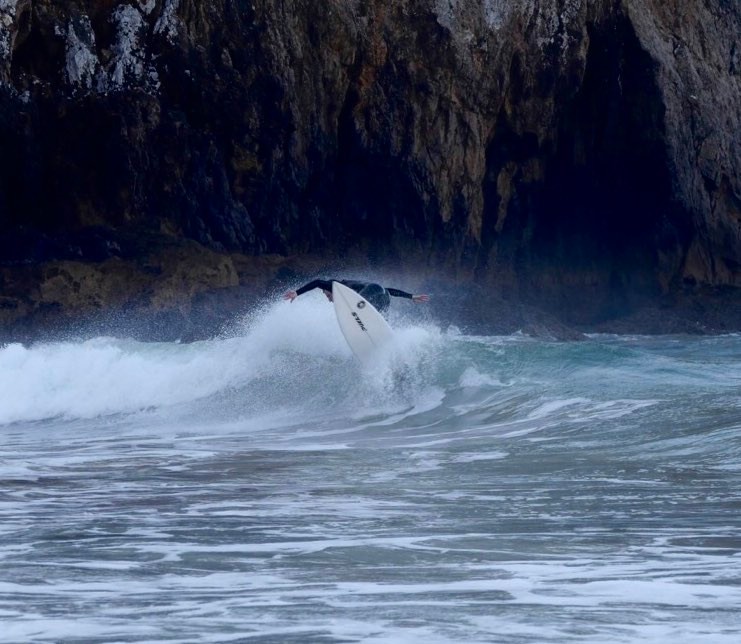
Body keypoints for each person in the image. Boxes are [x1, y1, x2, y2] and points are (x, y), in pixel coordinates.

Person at [283, 279, 429, 314]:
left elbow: (317, 282)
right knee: (378, 317)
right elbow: (386, 290)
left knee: (355, 306)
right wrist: (410, 296)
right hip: (382, 296)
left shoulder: (335, 285)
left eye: (328, 296)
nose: (329, 299)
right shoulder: (349, 290)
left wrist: (297, 293)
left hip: (371, 292)